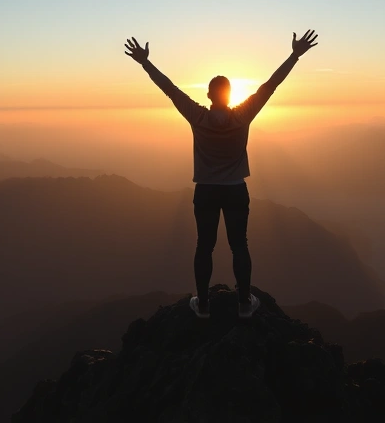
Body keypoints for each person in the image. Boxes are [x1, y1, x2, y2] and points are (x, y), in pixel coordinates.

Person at [124, 30, 319, 318]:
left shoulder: (198, 116)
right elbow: (271, 85)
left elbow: (170, 88)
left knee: (204, 245)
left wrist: (144, 63)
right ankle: (243, 304)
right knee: (239, 244)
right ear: (230, 95)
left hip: (205, 190)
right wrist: (294, 55)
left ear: (208, 95)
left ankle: (202, 305)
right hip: (235, 189)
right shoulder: (243, 116)